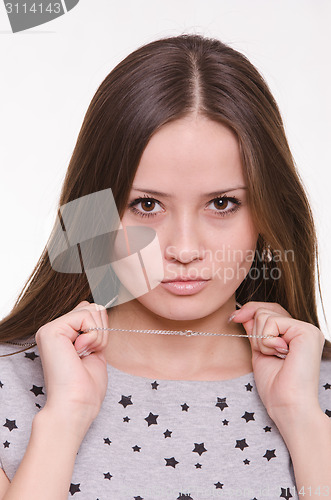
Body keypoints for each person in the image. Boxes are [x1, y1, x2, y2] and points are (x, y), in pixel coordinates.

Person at [0, 33, 330, 500]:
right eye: (147, 204)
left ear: (268, 211)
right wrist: (65, 417)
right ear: (95, 211)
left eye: (221, 203)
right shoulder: (8, 388)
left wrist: (302, 419)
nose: (184, 248)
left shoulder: (316, 395)